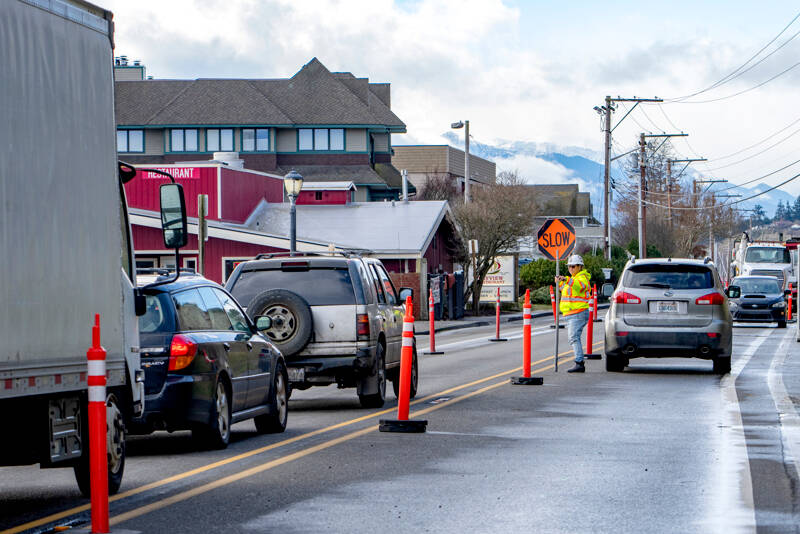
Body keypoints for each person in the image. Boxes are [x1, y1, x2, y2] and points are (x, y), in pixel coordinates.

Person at [555, 254, 592, 373]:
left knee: (574, 337)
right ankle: (579, 362)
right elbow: (565, 290)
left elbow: (579, 287)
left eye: (573, 266)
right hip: (571, 313)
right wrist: (559, 282)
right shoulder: (572, 279)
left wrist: (566, 279)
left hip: (578, 312)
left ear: (580, 267)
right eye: (569, 266)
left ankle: (579, 362)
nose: (571, 269)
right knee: (574, 337)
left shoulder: (582, 278)